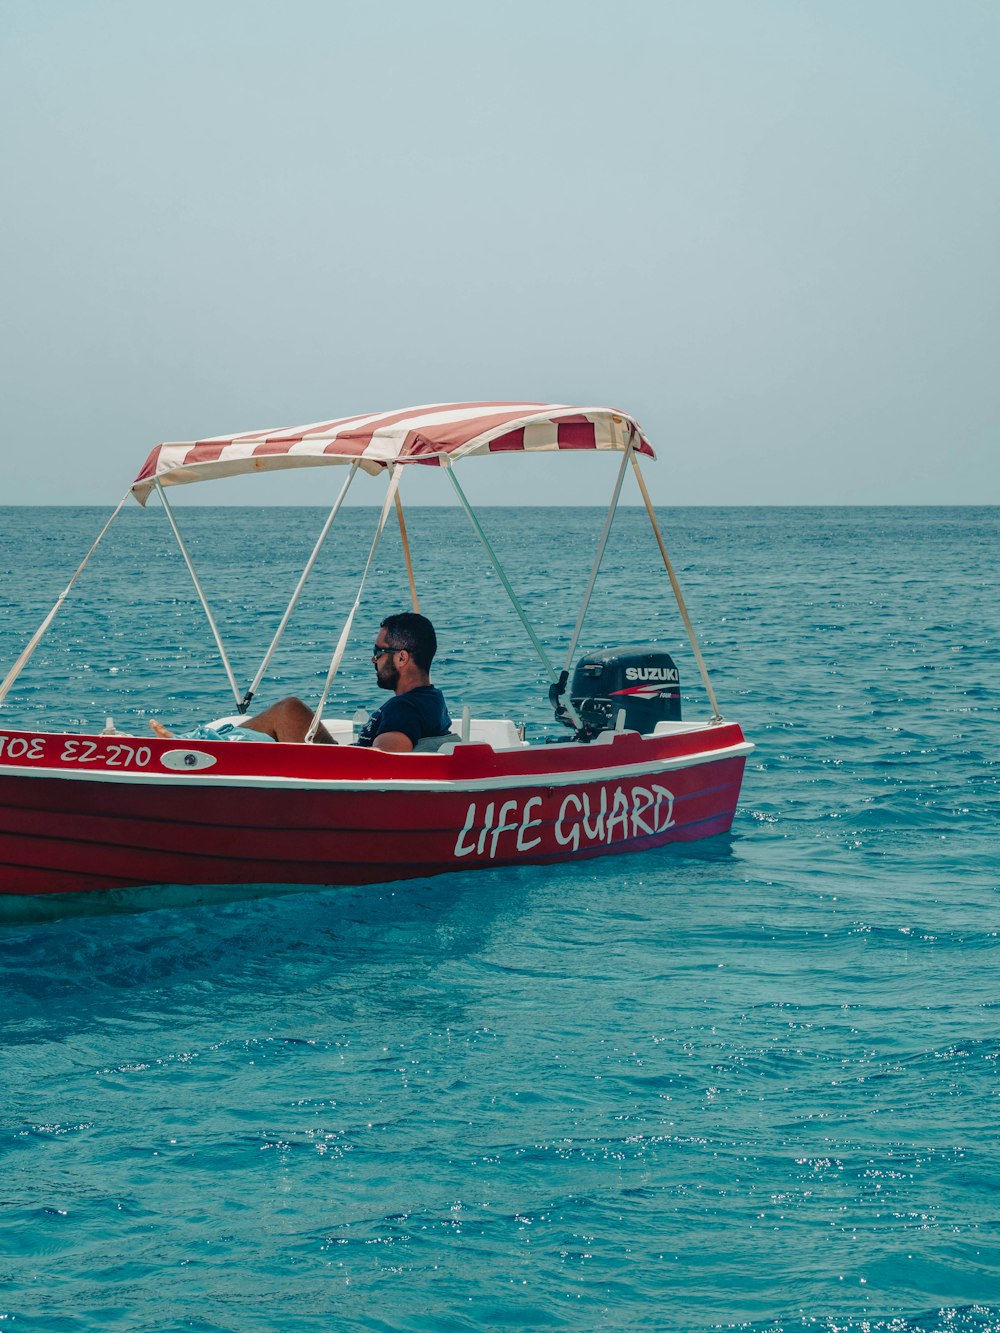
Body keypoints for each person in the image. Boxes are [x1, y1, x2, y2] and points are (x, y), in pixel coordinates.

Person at [153, 613, 451, 752]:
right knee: (287, 712)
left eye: (378, 652)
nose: (373, 660)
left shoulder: (405, 708)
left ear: (401, 658)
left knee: (289, 710)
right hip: (342, 762)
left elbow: (388, 759)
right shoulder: (430, 698)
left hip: (341, 779)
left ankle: (195, 749)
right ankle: (200, 745)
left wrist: (334, 755)